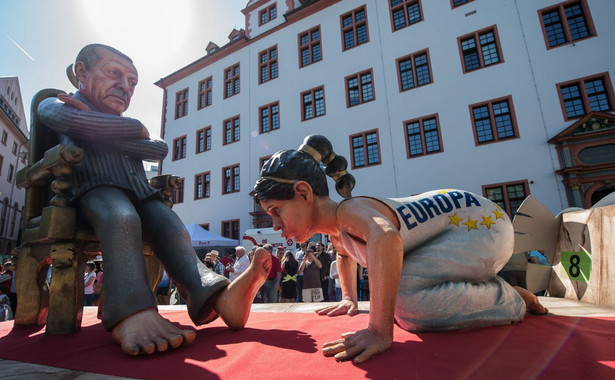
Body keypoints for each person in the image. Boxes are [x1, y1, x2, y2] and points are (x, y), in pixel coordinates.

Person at [36, 44, 270, 356]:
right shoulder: (58, 101)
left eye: (132, 82)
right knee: (121, 218)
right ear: (82, 72)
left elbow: (158, 148)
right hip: (92, 191)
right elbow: (64, 120)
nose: (125, 86)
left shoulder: (102, 113)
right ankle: (130, 313)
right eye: (114, 74)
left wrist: (108, 126)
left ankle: (215, 297)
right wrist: (132, 129)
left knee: (171, 225)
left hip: (139, 193)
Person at [251, 134, 548, 364]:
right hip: (471, 222)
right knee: (405, 297)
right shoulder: (338, 231)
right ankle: (491, 290)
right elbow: (344, 256)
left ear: (303, 193)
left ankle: (508, 299)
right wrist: (348, 298)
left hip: (484, 225)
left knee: (408, 306)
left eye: (276, 210)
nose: (276, 224)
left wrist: (379, 330)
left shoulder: (348, 211)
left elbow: (387, 239)